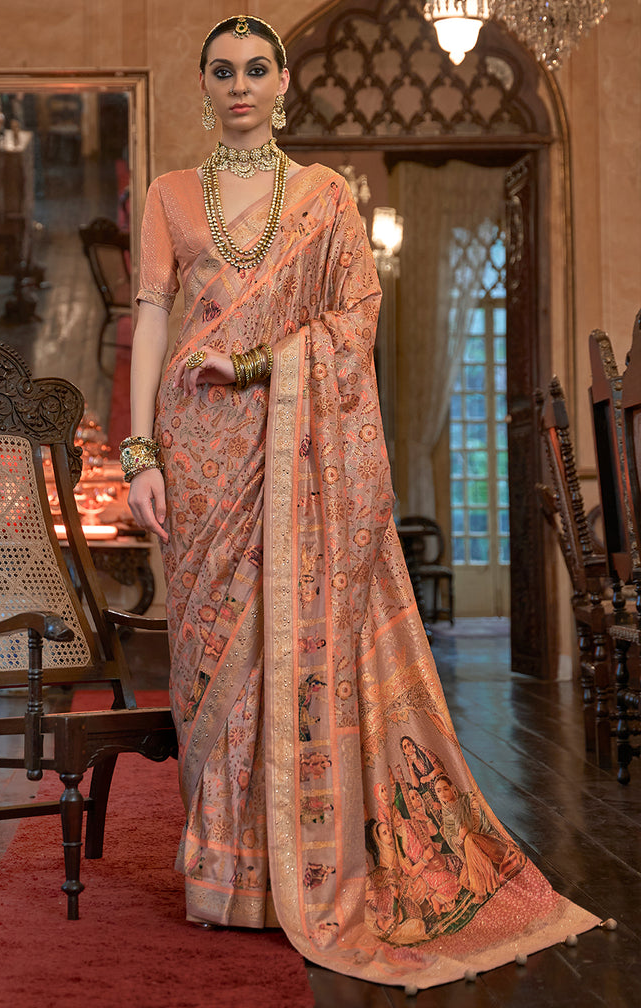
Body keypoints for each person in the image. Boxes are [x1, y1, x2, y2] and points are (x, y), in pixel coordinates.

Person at [123, 13, 600, 990]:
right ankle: (225, 873)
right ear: (204, 86)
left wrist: (256, 361)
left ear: (282, 81)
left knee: (287, 658)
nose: (240, 85)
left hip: (291, 450)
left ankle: (288, 874)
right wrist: (140, 456)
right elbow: (151, 319)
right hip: (199, 455)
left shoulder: (324, 196)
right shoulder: (168, 195)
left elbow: (354, 318)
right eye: (223, 71)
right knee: (211, 663)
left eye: (257, 68)